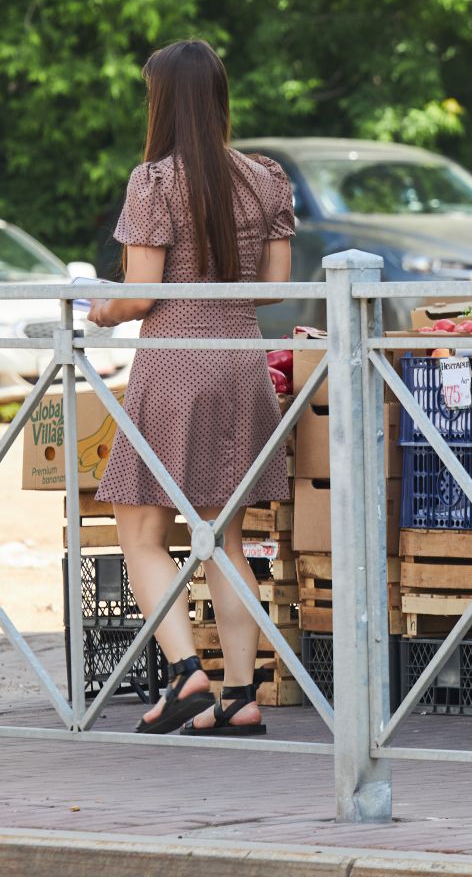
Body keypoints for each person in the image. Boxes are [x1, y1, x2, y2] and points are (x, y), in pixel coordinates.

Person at [88, 40, 296, 737]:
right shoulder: (267, 178)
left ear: (163, 101)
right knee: (224, 539)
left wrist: (102, 305)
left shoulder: (155, 181)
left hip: (176, 365)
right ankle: (240, 696)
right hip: (243, 363)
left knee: (140, 530)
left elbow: (142, 296)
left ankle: (186, 675)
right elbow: (275, 291)